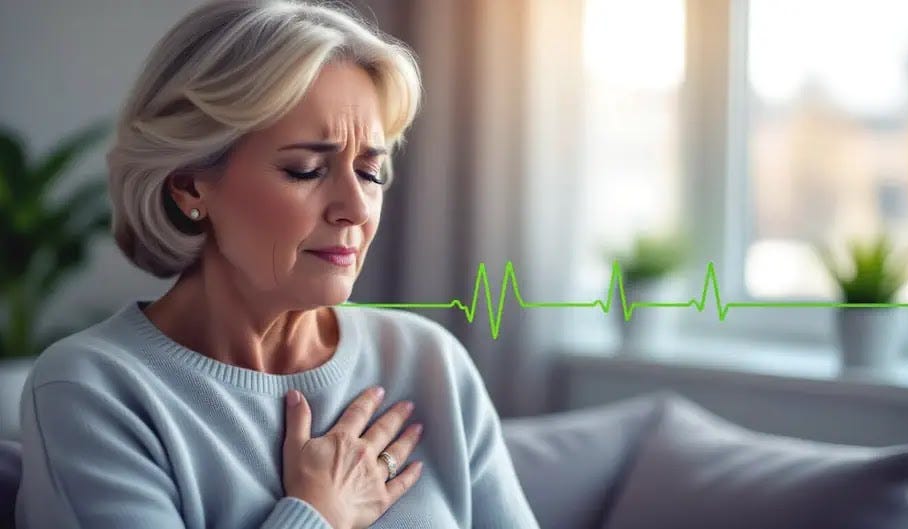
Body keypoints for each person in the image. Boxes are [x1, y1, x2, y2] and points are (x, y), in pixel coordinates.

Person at [14, 1, 540, 528]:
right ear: (190, 185)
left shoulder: (429, 364)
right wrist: (318, 514)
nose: (356, 208)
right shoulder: (93, 391)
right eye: (306, 170)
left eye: (369, 172)